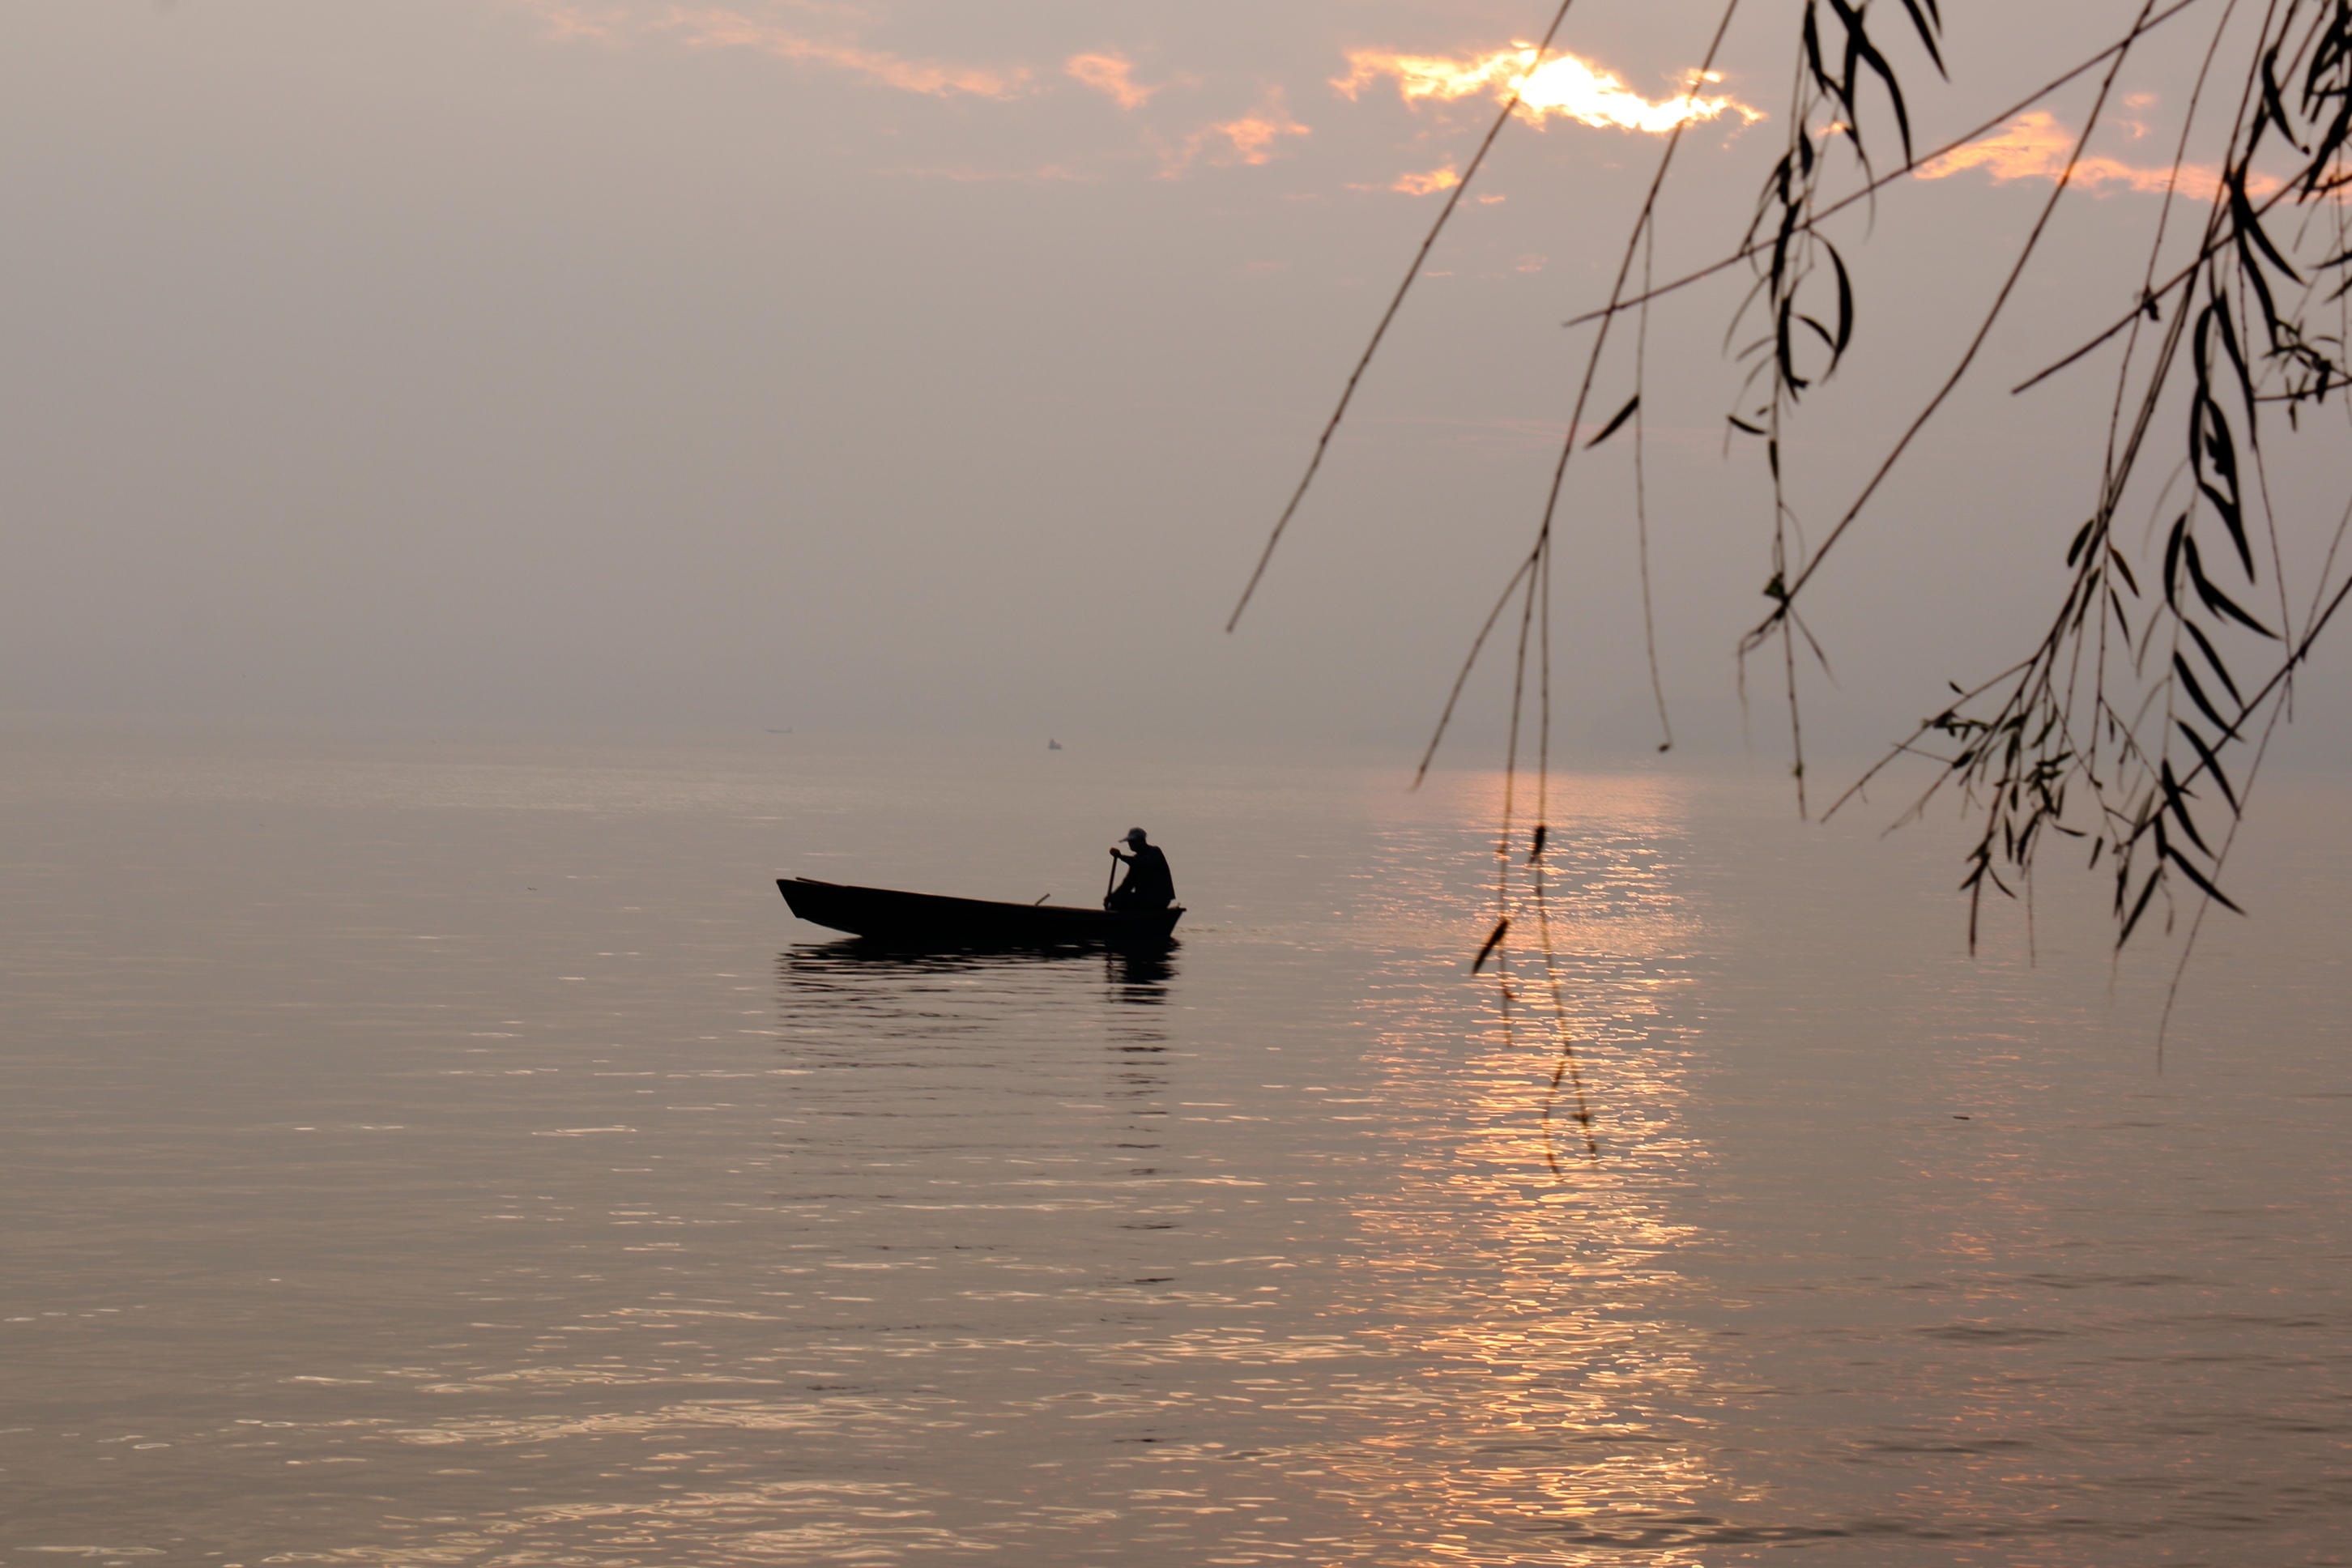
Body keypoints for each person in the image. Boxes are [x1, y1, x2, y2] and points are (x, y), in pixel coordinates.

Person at [1106, 827, 1175, 911]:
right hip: (1144, 898)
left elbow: (1142, 863)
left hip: (1158, 899)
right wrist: (1111, 897)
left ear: (1141, 840)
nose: (1130, 844)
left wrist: (1121, 857)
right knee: (1118, 896)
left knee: (1121, 898)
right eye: (1129, 842)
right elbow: (1128, 884)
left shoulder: (1155, 852)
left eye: (1133, 841)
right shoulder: (1136, 859)